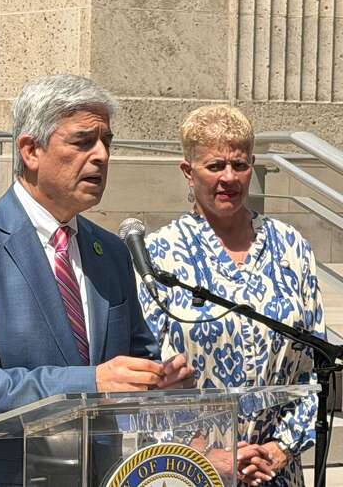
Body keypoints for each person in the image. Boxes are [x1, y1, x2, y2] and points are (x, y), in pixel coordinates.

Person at [0, 74, 193, 485]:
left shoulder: (112, 253)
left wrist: (157, 382)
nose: (101, 156)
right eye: (83, 142)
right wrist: (92, 382)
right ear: (31, 150)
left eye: (107, 142)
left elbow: (135, 356)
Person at [138, 104, 323, 487]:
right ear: (188, 172)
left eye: (239, 165)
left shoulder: (291, 247)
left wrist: (281, 447)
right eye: (215, 165)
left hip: (275, 470)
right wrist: (206, 453)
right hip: (189, 468)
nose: (229, 178)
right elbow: (147, 373)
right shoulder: (159, 254)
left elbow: (315, 366)